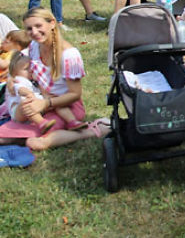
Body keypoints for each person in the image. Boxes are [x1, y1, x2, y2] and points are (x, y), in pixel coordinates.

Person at [0, 8, 107, 151]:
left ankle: (93, 130)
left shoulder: (69, 55)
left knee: (36, 141)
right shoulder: (34, 47)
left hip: (65, 107)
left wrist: (45, 103)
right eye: (29, 29)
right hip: (41, 104)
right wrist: (12, 79)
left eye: (38, 26)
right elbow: (17, 63)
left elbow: (75, 94)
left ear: (52, 23)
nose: (35, 32)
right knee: (5, 135)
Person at [6, 52, 58, 133]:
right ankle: (42, 123)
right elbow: (20, 89)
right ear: (15, 73)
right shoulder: (18, 79)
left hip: (34, 105)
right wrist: (29, 94)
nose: (30, 70)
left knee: (50, 100)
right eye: (26, 69)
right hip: (18, 111)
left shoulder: (32, 80)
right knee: (27, 104)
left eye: (32, 67)